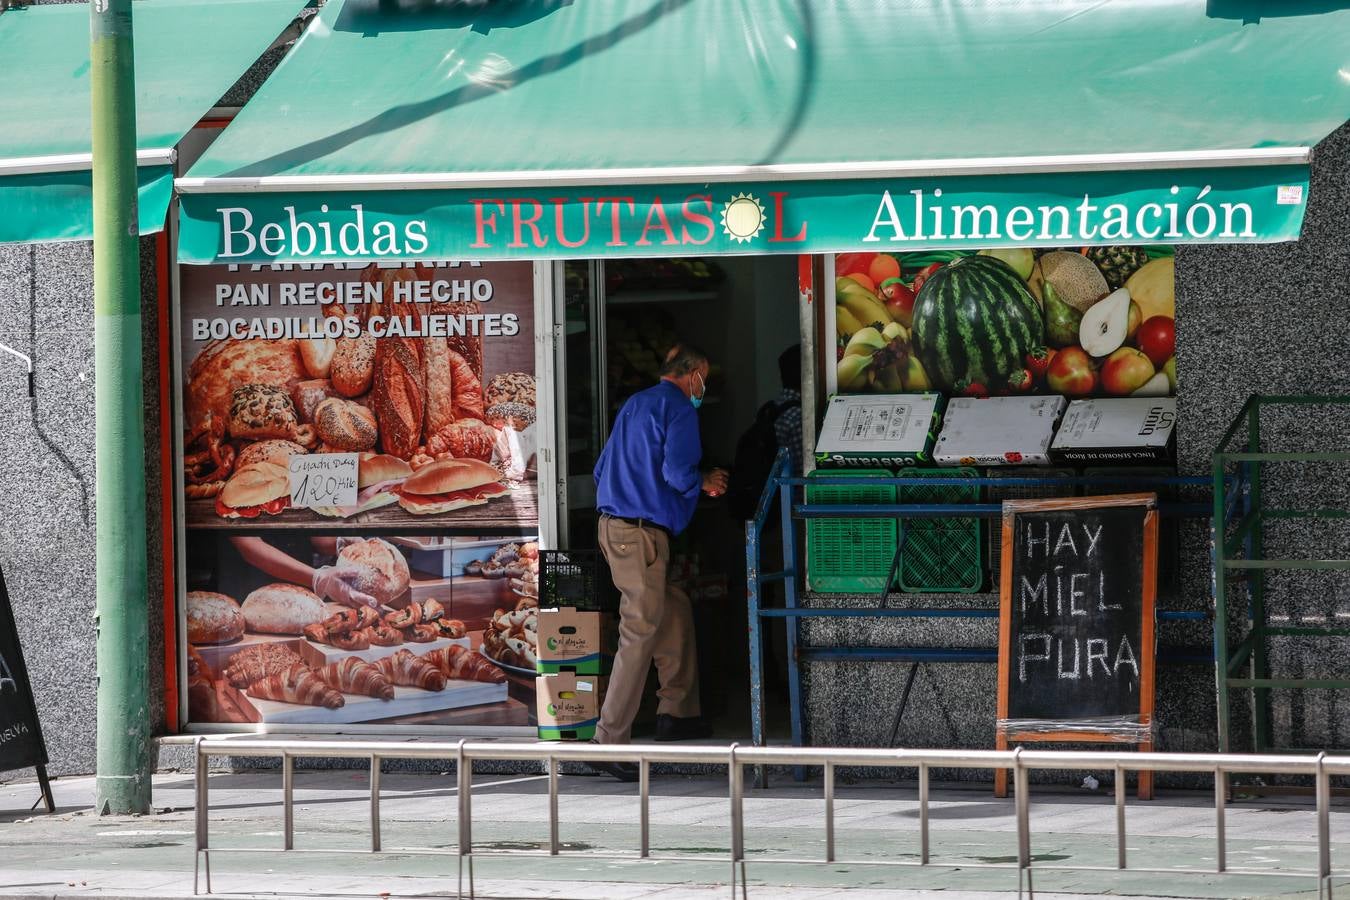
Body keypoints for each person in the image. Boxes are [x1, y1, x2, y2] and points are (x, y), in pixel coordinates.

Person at [589, 342, 729, 781]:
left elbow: (599, 470)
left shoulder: (636, 403)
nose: (704, 385)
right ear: (693, 373)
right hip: (642, 536)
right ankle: (608, 740)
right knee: (639, 633)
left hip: (612, 529)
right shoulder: (681, 408)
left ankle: (678, 712)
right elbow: (676, 474)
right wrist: (704, 480)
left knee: (674, 609)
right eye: (704, 376)